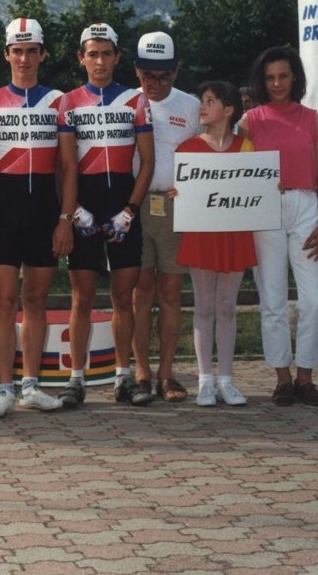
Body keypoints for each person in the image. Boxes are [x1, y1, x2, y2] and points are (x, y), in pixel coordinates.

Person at [0, 18, 75, 417]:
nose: (25, 59)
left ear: (42, 54)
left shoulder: (58, 101)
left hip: (44, 210)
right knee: (4, 300)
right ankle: (5, 389)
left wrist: (65, 218)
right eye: (18, 51)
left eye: (32, 51)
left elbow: (68, 165)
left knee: (35, 299)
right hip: (3, 209)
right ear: (7, 54)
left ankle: (31, 384)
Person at [57, 23, 155, 408]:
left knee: (123, 297)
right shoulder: (68, 102)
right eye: (92, 54)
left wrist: (130, 210)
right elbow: (61, 166)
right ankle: (76, 379)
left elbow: (148, 162)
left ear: (117, 57)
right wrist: (72, 210)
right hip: (84, 204)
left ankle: (122, 377)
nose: (99, 61)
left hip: (121, 204)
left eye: (106, 53)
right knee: (81, 297)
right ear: (81, 58)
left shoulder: (136, 100)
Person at [239, 46, 318, 406]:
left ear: (295, 77)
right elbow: (237, 172)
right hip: (265, 211)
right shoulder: (250, 120)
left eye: (283, 75)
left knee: (312, 301)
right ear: (263, 81)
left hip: (307, 206)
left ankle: (306, 377)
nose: (277, 83)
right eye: (270, 77)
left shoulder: (312, 119)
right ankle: (282, 379)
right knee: (273, 300)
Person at [172, 81, 257, 406]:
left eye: (209, 101)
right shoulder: (188, 149)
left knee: (227, 307)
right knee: (204, 306)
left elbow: (255, 188)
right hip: (201, 235)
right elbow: (182, 193)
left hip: (235, 235)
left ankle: (227, 380)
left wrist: (268, 186)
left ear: (229, 109)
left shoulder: (246, 147)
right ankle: (205, 381)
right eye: (202, 101)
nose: (202, 107)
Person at [130, 32, 200, 402]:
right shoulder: (125, 103)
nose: (155, 85)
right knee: (141, 293)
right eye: (147, 76)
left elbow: (213, 152)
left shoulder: (190, 106)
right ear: (137, 70)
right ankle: (141, 372)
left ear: (176, 71)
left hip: (176, 208)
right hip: (136, 206)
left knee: (171, 293)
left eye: (164, 77)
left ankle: (167, 375)